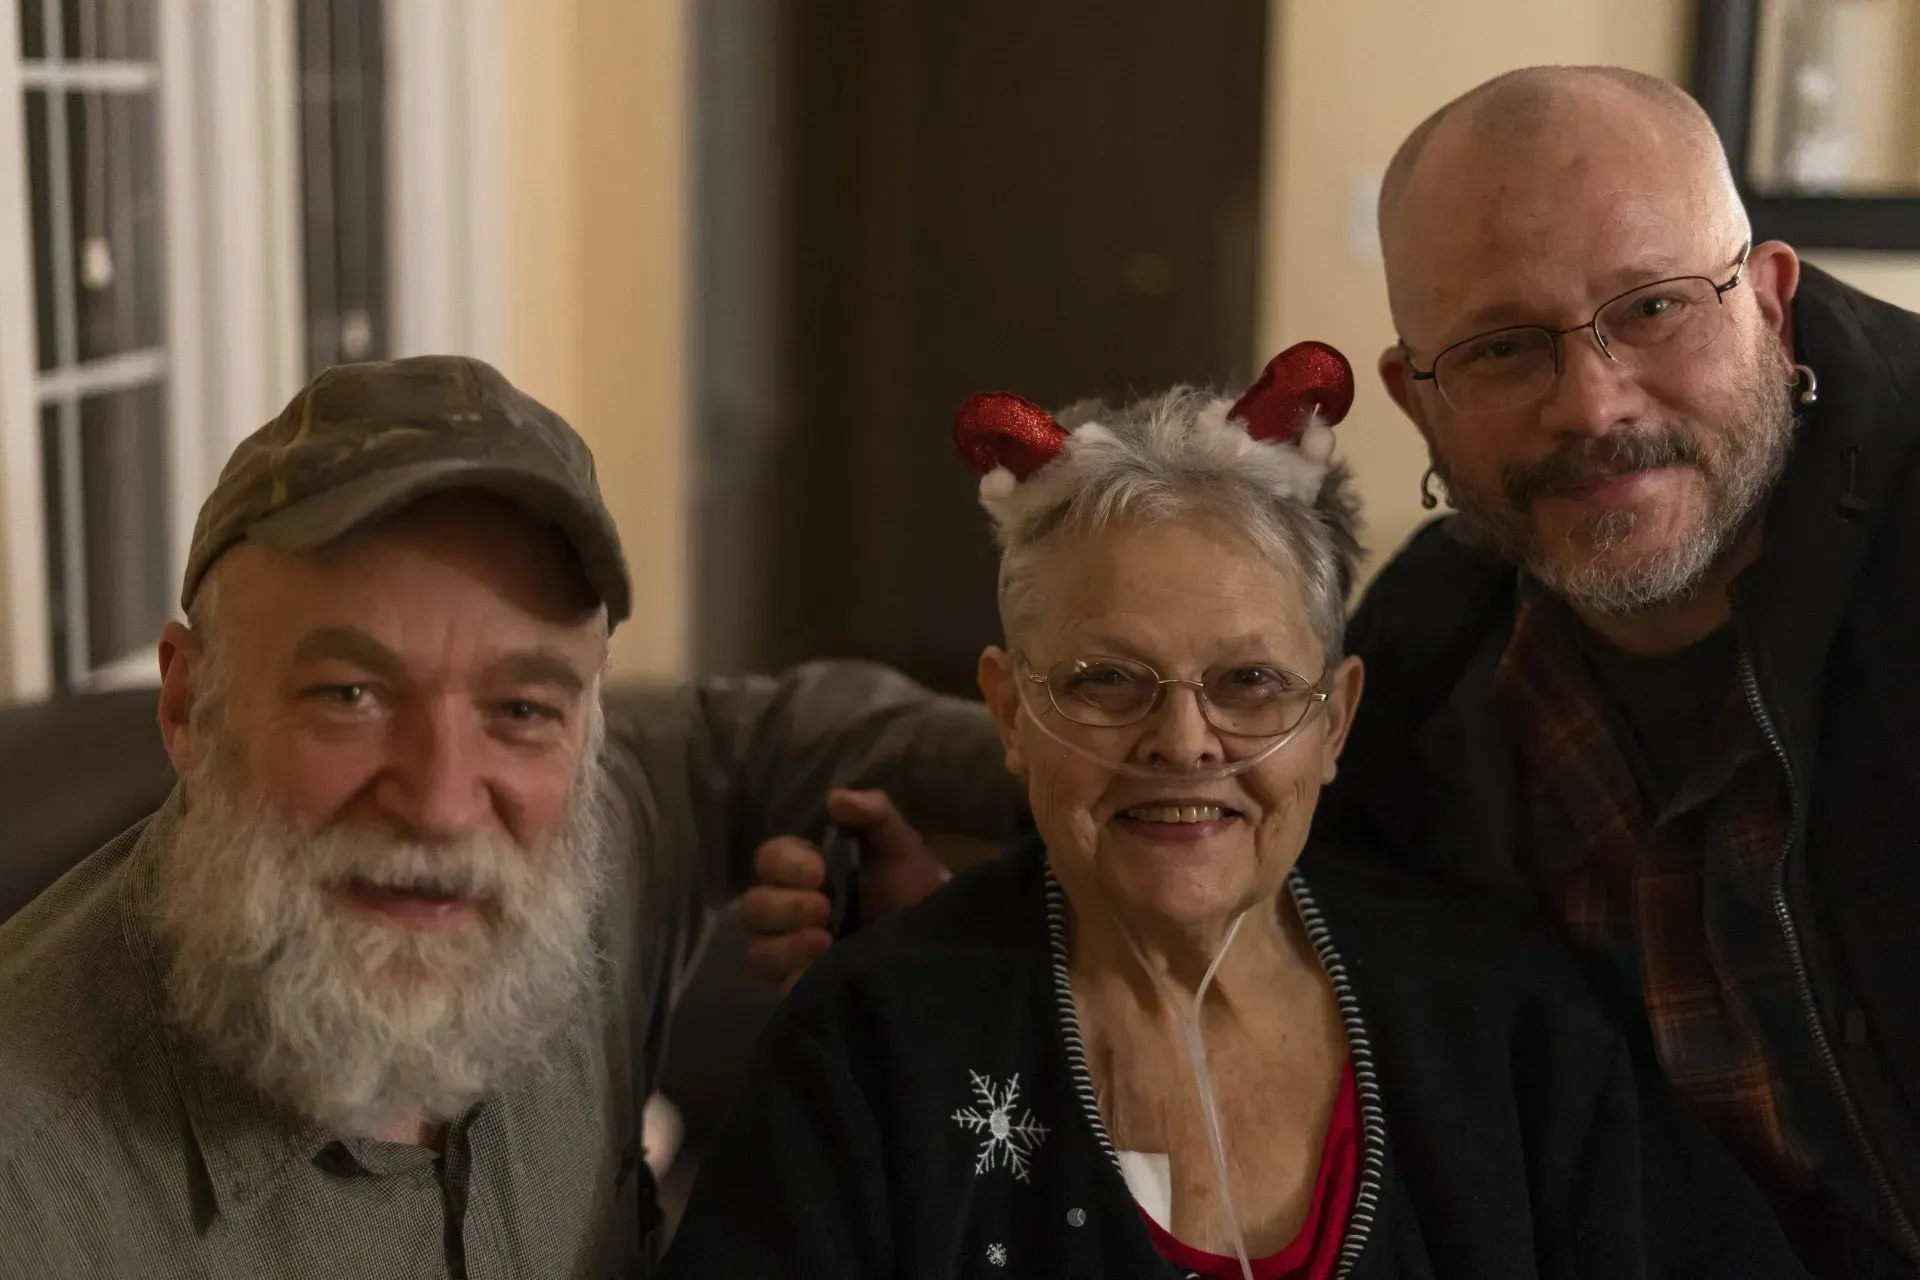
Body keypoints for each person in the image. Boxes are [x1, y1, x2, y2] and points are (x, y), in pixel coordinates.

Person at [661, 347, 1809, 1278]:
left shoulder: (1508, 1022)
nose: (1183, 741)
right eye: (1105, 680)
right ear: (1009, 713)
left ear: (1338, 716)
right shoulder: (876, 1042)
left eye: (1252, 681)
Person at [0, 356, 1020, 1278]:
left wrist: (1094, 786)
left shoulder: (609, 821)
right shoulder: (34, 1191)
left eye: (522, 708)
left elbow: (767, 733)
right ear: (188, 706)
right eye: (350, 694)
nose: (444, 803)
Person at [1313, 66, 1920, 1278]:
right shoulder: (1431, 651)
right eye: (1500, 347)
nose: (1591, 404)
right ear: (1415, 399)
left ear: (1772, 301)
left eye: (1651, 308)